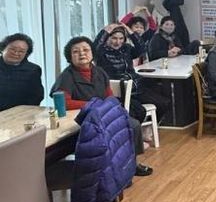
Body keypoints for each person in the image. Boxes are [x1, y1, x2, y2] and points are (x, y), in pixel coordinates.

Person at [50, 36, 152, 176]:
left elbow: (109, 96)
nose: (82, 54)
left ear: (92, 53)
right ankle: (112, 168)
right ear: (69, 57)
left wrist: (113, 108)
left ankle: (131, 163)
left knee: (132, 124)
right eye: (76, 51)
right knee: (117, 129)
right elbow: (64, 102)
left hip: (103, 113)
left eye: (86, 50)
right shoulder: (66, 76)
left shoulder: (99, 72)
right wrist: (93, 104)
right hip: (83, 117)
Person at [93, 23, 170, 124]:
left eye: (121, 38)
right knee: (139, 111)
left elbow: (142, 49)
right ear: (108, 38)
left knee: (164, 103)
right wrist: (105, 32)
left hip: (137, 88)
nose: (118, 42)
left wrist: (132, 33)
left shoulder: (127, 48)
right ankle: (138, 129)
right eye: (114, 38)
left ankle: (149, 127)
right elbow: (94, 48)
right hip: (121, 92)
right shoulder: (102, 52)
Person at [0, 33, 44, 111]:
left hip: (21, 112)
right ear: (3, 48)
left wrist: (24, 111)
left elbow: (37, 96)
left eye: (21, 51)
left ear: (26, 54)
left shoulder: (33, 70)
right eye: (12, 49)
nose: (16, 53)